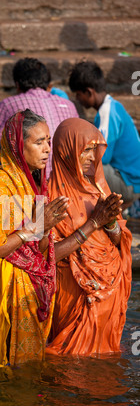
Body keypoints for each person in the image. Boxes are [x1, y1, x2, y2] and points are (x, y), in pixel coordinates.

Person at [0, 109, 69, 370]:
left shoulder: (34, 184)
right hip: (1, 292)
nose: (46, 149)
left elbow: (38, 250)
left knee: (24, 371)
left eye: (48, 141)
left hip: (26, 287)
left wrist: (44, 229)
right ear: (19, 146)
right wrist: (33, 227)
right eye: (38, 142)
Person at [46, 118, 132, 356]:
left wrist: (111, 221)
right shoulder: (49, 197)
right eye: (86, 150)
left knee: (103, 361)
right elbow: (47, 257)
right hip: (74, 293)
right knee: (69, 360)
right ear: (66, 151)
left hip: (108, 292)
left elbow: (119, 241)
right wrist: (94, 223)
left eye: (95, 150)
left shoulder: (98, 188)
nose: (93, 158)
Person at [0, 57, 79, 183]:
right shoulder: (69, 105)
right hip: (67, 178)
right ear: (48, 85)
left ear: (18, 85)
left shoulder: (9, 104)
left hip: (32, 179)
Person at [69, 60, 140, 211]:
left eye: (78, 94)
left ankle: (82, 214)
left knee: (79, 167)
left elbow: (102, 156)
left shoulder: (107, 112)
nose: (77, 99)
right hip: (131, 178)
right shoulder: (113, 106)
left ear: (89, 92)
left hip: (129, 182)